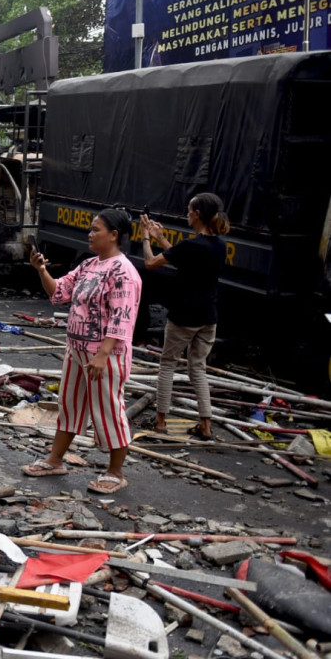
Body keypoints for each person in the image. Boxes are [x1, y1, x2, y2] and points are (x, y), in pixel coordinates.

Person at [23, 209, 143, 494]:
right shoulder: (89, 265)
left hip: (105, 355)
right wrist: (41, 270)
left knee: (109, 410)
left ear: (113, 235)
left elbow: (122, 319)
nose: (90, 234)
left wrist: (102, 355)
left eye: (96, 229)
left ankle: (115, 472)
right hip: (77, 350)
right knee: (70, 405)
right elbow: (59, 292)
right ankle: (55, 460)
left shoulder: (123, 272)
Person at [140, 193, 229, 440]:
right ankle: (206, 425)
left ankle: (160, 421)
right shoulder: (219, 245)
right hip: (208, 316)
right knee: (197, 368)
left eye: (189, 210)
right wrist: (161, 238)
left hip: (184, 316)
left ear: (197, 214)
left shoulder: (191, 245)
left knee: (168, 364)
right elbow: (184, 260)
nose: (187, 214)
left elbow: (150, 263)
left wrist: (146, 237)